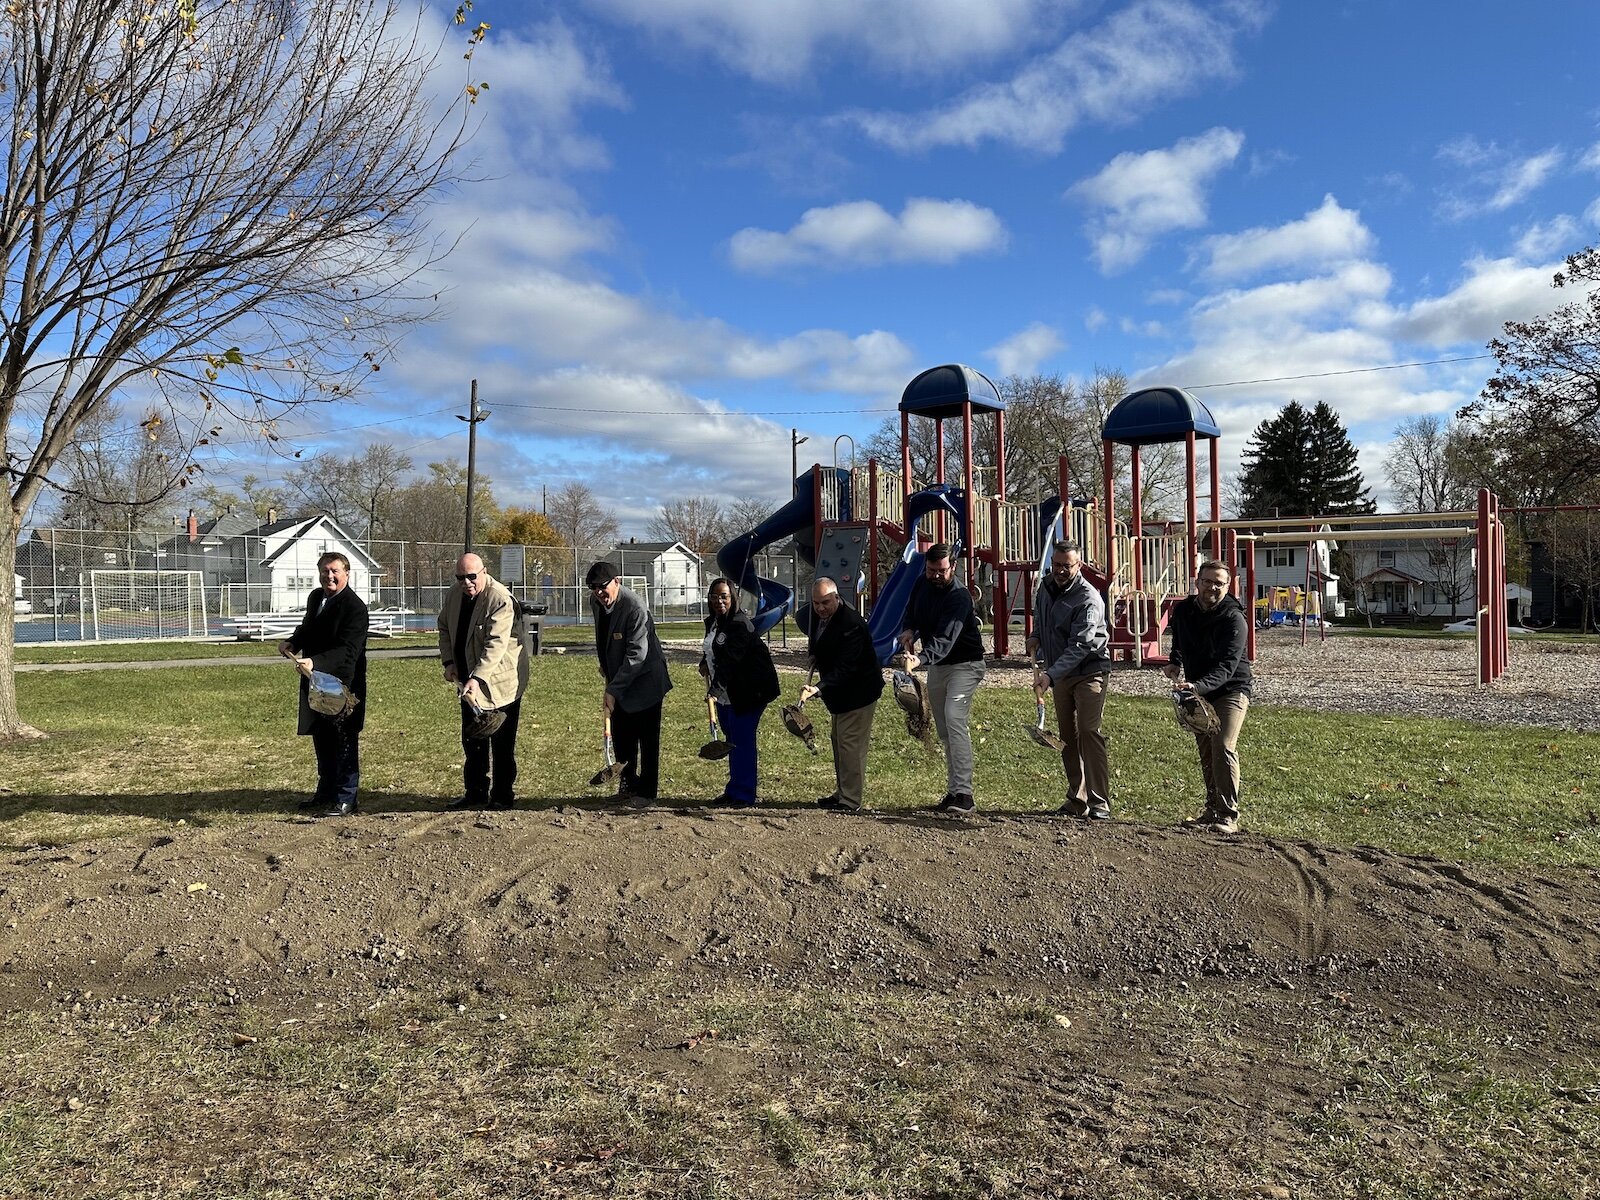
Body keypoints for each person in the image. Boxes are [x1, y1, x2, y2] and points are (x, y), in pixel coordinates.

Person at [1163, 559, 1253, 834]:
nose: (1212, 587)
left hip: (1230, 690)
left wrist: (1197, 687)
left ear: (1228, 586)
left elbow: (1227, 667)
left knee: (1223, 746)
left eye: (1219, 583)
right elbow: (1179, 640)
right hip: (1197, 689)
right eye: (1207, 581)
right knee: (1206, 751)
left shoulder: (1234, 618)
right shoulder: (1183, 611)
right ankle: (1211, 809)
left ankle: (1228, 815)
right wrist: (1174, 661)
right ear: (1197, 582)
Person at [438, 552, 531, 811]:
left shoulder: (499, 598)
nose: (466, 582)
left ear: (484, 571)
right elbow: (444, 628)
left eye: (471, 576)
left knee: (502, 744)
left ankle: (502, 796)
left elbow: (496, 644)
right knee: (473, 740)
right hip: (467, 683)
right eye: (460, 577)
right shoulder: (454, 595)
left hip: (502, 684)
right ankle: (475, 793)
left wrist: (478, 678)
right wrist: (449, 663)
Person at [278, 551, 368, 818]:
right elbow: (309, 627)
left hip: (343, 686)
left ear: (347, 574)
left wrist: (315, 662)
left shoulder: (355, 608)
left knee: (343, 739)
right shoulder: (316, 598)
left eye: (335, 571)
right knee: (322, 737)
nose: (329, 576)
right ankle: (326, 791)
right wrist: (293, 642)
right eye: (325, 571)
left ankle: (346, 798)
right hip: (316, 682)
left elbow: (348, 652)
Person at [1028, 540, 1113, 820]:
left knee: (1089, 732)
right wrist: (1035, 636)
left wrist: (1050, 675)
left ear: (1079, 566)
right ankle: (1077, 799)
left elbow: (1080, 646)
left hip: (1089, 671)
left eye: (1068, 565)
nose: (1061, 570)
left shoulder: (1088, 598)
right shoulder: (1045, 587)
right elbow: (1041, 619)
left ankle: (1099, 802)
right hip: (1060, 673)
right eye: (1057, 564)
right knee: (1067, 737)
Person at [899, 543, 986, 814]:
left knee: (954, 718)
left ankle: (965, 795)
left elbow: (944, 640)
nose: (936, 575)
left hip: (966, 664)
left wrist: (920, 659)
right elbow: (911, 611)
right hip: (940, 666)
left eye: (942, 571)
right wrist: (908, 630)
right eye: (931, 570)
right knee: (945, 730)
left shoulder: (960, 597)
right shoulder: (921, 583)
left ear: (954, 567)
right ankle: (953, 792)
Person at [588, 560, 672, 803]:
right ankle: (627, 786)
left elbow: (638, 654)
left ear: (617, 581)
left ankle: (646, 792)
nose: (599, 592)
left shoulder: (635, 607)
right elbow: (606, 639)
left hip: (646, 681)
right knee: (622, 736)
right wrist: (608, 671)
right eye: (594, 588)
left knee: (647, 740)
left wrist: (613, 689)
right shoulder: (596, 602)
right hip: (620, 680)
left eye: (603, 586)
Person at [799, 576, 883, 812]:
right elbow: (818, 638)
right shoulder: (821, 615)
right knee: (839, 742)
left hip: (859, 692)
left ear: (837, 597)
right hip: (840, 695)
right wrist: (814, 654)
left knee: (850, 746)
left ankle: (851, 800)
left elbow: (847, 668)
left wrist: (818, 688)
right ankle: (842, 792)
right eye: (816, 603)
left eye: (825, 602)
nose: (820, 608)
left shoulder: (851, 624)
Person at [698, 577, 781, 807]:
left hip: (750, 690)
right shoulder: (714, 622)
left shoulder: (740, 624)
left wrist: (714, 690)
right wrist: (704, 662)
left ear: (732, 598)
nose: (719, 601)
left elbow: (731, 661)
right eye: (714, 597)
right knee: (731, 739)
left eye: (724, 596)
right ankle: (733, 789)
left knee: (742, 741)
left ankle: (745, 793)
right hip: (729, 691)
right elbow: (713, 648)